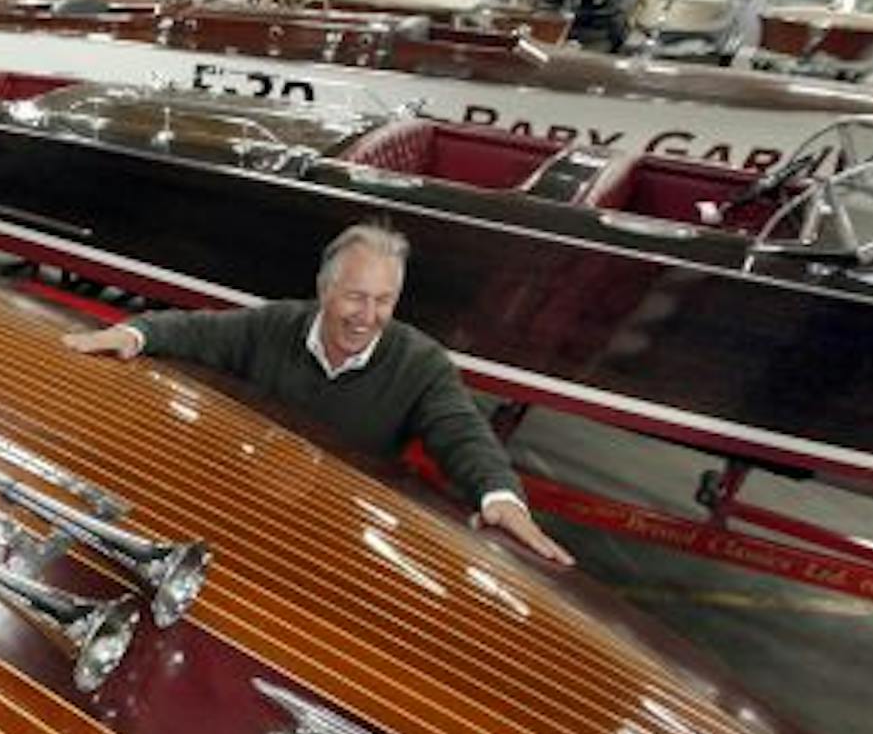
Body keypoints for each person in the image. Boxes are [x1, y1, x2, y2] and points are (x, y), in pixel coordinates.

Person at [61, 221, 575, 565]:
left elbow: (464, 434)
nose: (367, 316)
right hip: (248, 505)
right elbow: (196, 331)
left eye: (383, 301)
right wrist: (133, 334)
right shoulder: (274, 324)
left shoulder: (421, 364)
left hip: (336, 534)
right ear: (325, 289)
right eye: (355, 297)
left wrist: (500, 495)